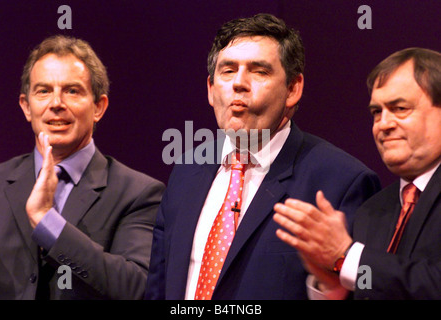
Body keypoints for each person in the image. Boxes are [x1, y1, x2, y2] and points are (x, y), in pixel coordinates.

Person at [145, 13, 381, 300]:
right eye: (228, 71)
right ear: (210, 89)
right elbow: (158, 288)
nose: (239, 84)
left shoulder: (341, 182)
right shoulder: (186, 171)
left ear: (293, 89)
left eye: (259, 71)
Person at [0, 35, 165, 299]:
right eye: (43, 91)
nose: (56, 103)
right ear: (26, 106)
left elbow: (137, 287)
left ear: (99, 107)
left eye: (72, 91)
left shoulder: (139, 194)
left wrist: (46, 221)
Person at [273, 47, 441, 299]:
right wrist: (334, 288)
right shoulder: (372, 211)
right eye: (377, 112)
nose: (383, 124)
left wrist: (346, 255)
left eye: (400, 108)